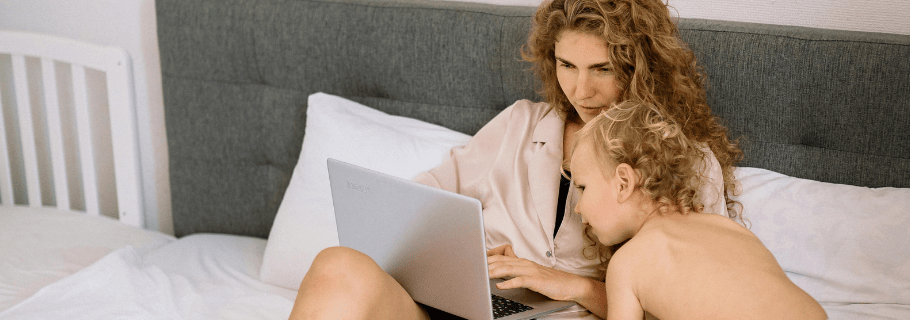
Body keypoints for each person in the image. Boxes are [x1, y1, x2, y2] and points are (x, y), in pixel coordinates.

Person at [288, 0, 742, 318]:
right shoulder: (521, 124)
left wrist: (568, 284)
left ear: (641, 65)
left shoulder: (683, 162)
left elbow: (692, 306)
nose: (581, 91)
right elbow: (425, 199)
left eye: (601, 69)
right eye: (567, 66)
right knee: (338, 265)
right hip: (464, 305)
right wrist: (467, 254)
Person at [569, 101, 825, 320]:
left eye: (582, 187)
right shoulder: (724, 226)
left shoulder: (627, 264)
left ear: (623, 183)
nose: (578, 206)